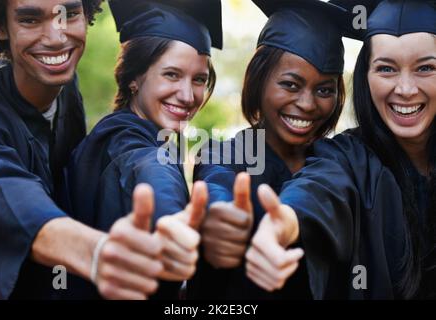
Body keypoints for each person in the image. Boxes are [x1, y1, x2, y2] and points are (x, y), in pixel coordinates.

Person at [0, 0, 166, 301]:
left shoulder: (65, 86)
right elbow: (4, 192)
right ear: (1, 27)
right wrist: (96, 251)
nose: (57, 38)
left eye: (69, 14)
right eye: (30, 20)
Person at [255, 0, 435, 299]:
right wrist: (286, 221)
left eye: (426, 68)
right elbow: (319, 189)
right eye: (386, 68)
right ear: (366, 76)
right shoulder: (347, 158)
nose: (405, 89)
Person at [188, 0, 348, 299]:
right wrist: (219, 213)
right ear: (259, 81)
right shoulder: (225, 154)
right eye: (290, 85)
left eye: (324, 90)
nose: (308, 104)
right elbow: (217, 180)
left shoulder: (340, 159)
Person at [65, 0, 222, 299]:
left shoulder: (109, 133)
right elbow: (149, 167)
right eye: (172, 74)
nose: (188, 95)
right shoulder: (128, 142)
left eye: (199, 79)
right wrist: (170, 221)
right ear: (134, 78)